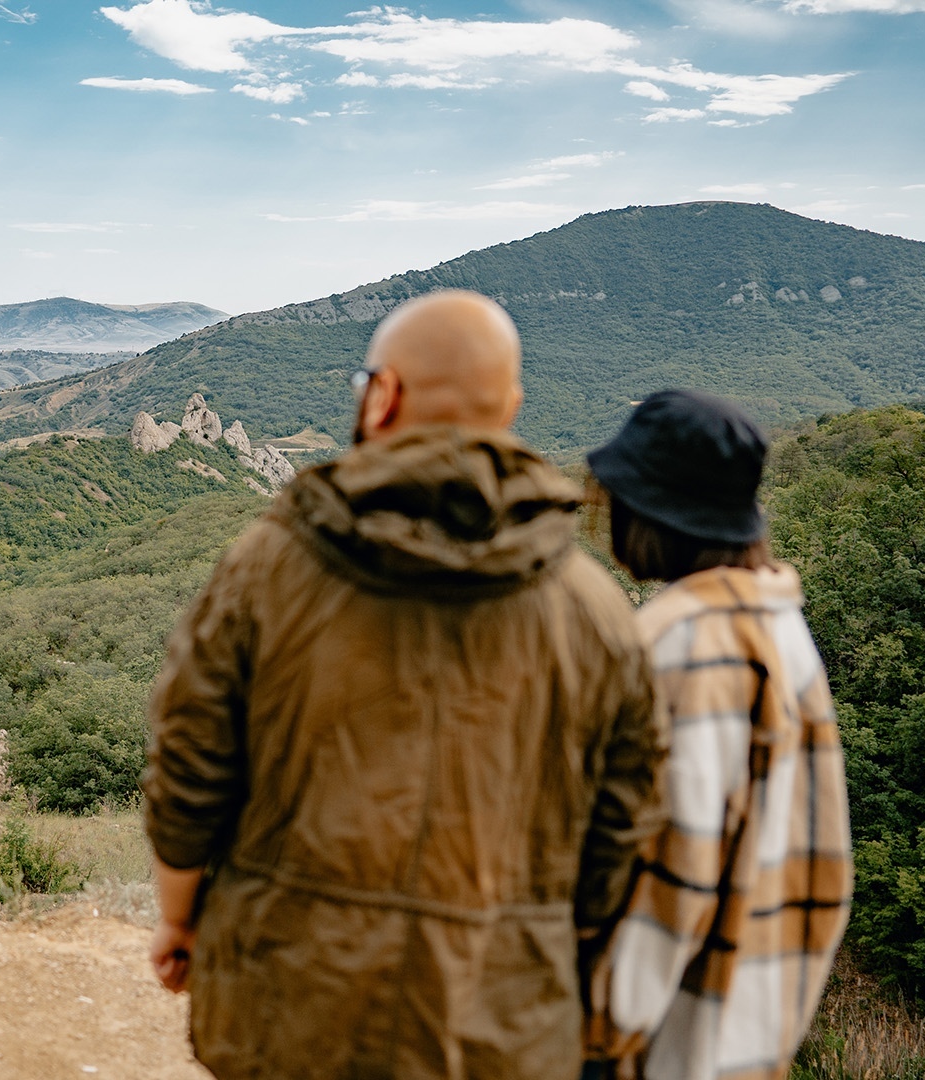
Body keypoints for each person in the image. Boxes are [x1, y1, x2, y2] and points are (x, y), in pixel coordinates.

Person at [142, 289, 668, 1080]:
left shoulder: (269, 567)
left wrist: (179, 919)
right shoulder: (598, 613)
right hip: (493, 1026)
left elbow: (189, 767)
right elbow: (622, 833)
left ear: (382, 396)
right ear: (511, 405)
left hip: (290, 1005)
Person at [580, 390, 853, 1080]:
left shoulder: (689, 641)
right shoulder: (778, 622)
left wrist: (598, 1026)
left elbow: (680, 860)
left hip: (664, 1040)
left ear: (648, 514)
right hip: (748, 1018)